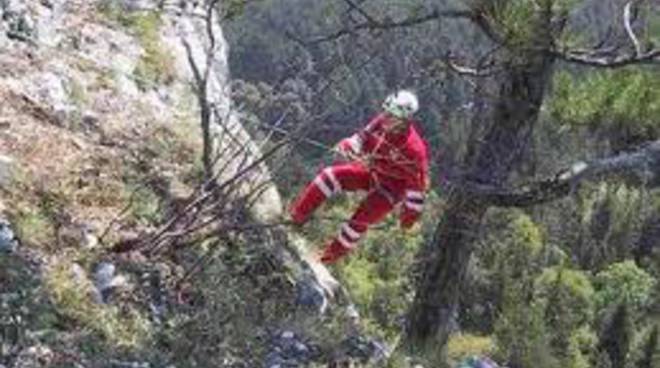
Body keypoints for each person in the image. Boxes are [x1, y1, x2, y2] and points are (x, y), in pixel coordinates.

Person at [289, 90, 430, 264]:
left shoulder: (414, 150)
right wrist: (346, 146)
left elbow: (417, 190)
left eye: (391, 116)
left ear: (405, 121)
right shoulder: (381, 121)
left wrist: (408, 220)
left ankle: (326, 259)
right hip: (372, 171)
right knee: (330, 176)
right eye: (386, 113)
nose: (385, 118)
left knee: (360, 221)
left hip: (391, 189)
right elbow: (361, 138)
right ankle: (296, 218)